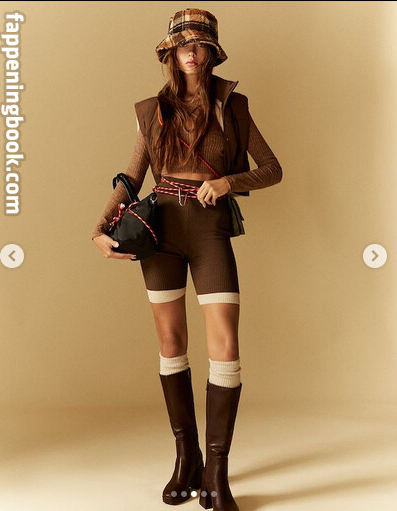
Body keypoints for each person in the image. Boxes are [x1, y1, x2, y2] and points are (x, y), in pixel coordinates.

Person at [92, 8, 282, 511]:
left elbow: (272, 168)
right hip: (160, 233)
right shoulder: (152, 110)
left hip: (209, 229)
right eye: (182, 45)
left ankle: (217, 471)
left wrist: (228, 182)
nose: (191, 52)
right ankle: (186, 458)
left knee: (225, 344)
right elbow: (131, 178)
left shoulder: (232, 105)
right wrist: (100, 226)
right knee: (171, 342)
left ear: (212, 52)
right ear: (171, 54)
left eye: (199, 44)